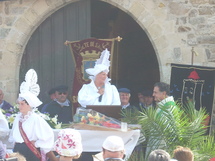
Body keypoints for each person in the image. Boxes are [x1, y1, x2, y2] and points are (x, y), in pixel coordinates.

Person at [8, 69, 55, 161]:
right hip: (18, 150)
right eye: (19, 104)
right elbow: (13, 135)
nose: (19, 106)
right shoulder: (18, 118)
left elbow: (48, 136)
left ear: (29, 105)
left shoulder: (36, 119)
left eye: (22, 104)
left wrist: (36, 144)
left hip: (30, 151)